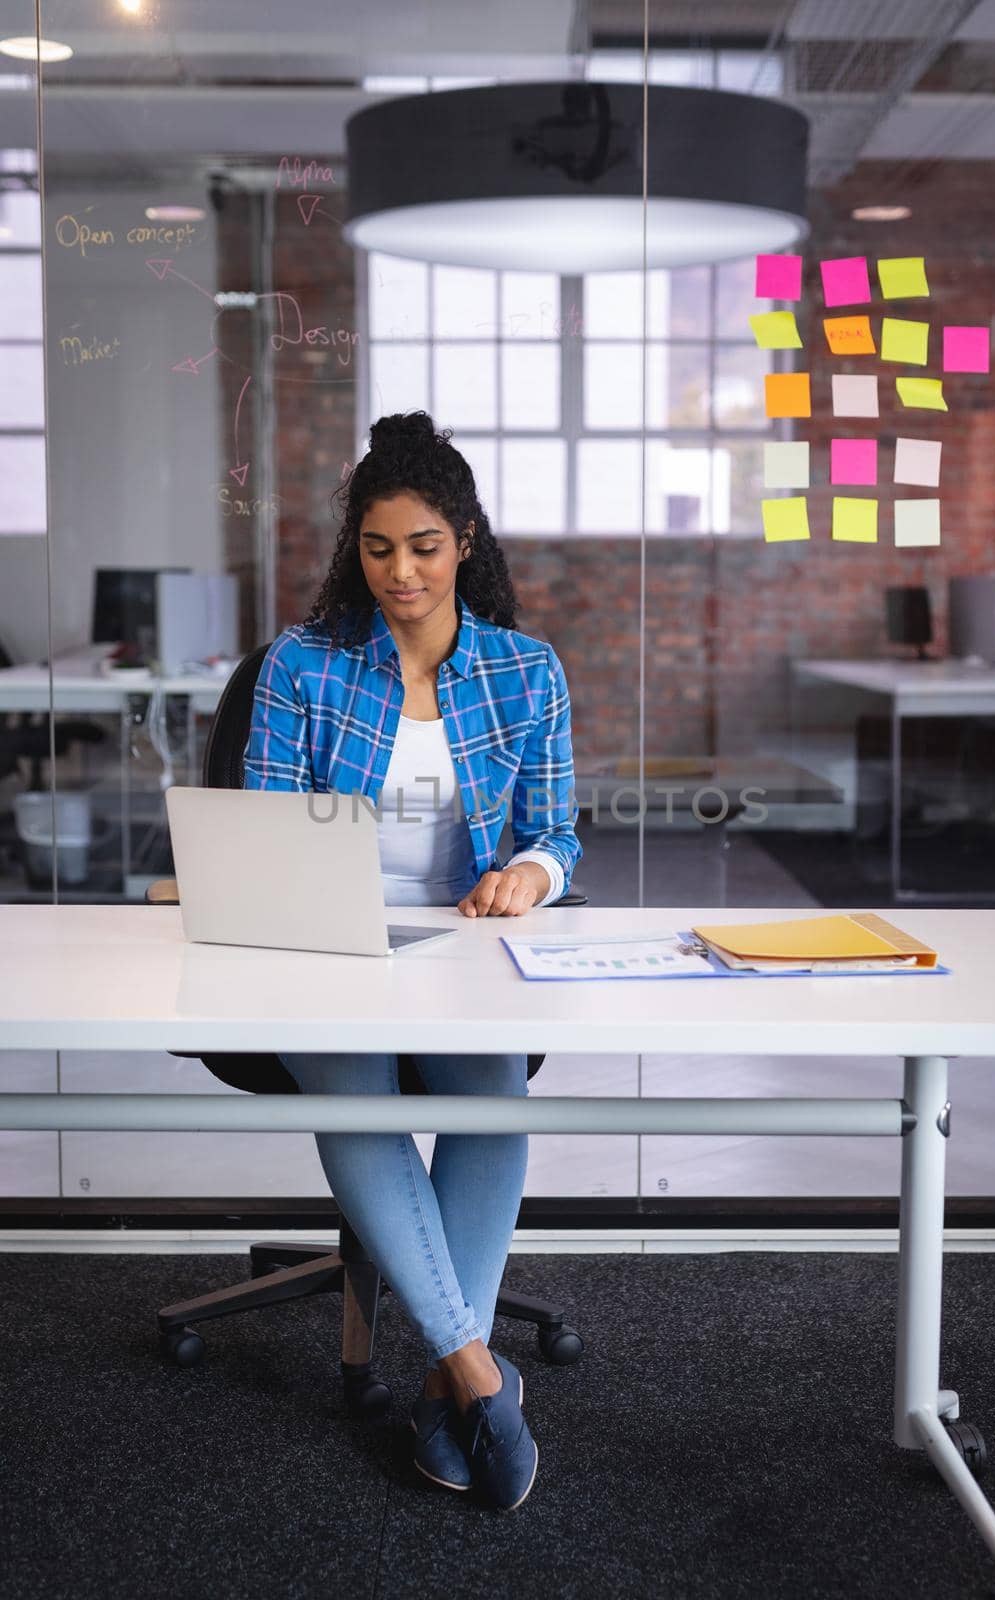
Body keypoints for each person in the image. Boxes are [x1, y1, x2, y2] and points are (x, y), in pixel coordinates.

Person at [242, 409, 582, 1511]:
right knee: (355, 1090)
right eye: (378, 547)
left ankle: (447, 1389)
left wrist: (529, 875)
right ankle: (477, 1378)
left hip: (463, 940)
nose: (400, 572)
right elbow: (260, 826)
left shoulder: (525, 673)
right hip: (321, 936)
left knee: (492, 1095)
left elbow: (555, 831)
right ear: (357, 548)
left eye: (423, 547)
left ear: (466, 540)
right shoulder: (302, 665)